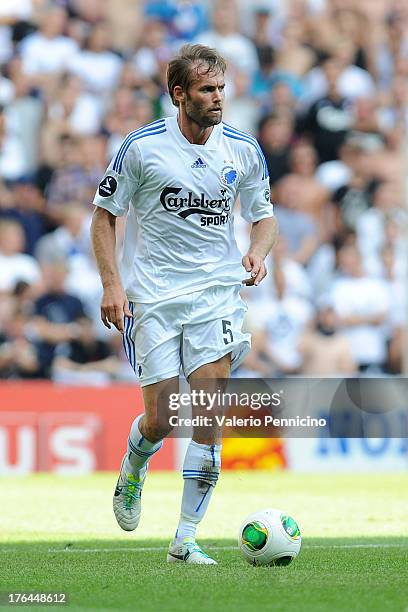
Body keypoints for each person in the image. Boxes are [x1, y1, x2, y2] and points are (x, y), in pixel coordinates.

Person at [91, 43, 277, 564]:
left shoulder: (242, 148)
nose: (218, 98)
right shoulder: (142, 148)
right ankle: (135, 463)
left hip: (217, 293)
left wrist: (257, 253)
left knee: (209, 417)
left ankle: (185, 539)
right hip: (153, 298)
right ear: (178, 95)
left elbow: (264, 216)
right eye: (206, 90)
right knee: (162, 419)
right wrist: (112, 285)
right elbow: (104, 217)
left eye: (221, 88)